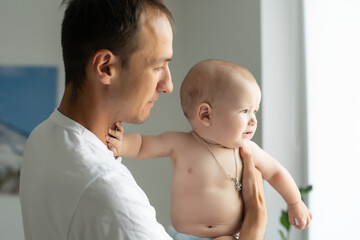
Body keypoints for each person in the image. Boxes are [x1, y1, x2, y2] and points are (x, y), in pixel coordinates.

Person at [19, 0, 267, 239]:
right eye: (159, 66)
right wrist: (255, 226)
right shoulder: (109, 194)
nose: (168, 85)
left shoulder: (42, 137)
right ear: (106, 68)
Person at [107, 59, 312, 239]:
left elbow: (276, 172)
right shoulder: (181, 144)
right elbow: (144, 145)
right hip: (183, 236)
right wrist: (122, 144)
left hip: (227, 237)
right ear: (206, 115)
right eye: (244, 111)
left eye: (255, 111)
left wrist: (295, 202)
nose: (253, 121)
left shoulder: (246, 150)